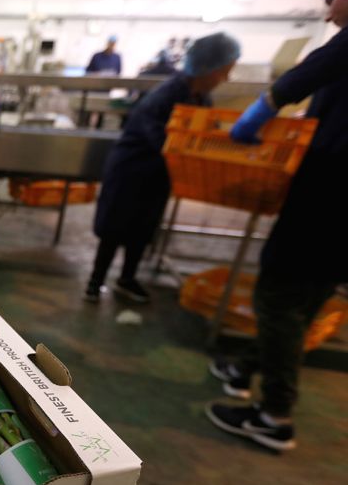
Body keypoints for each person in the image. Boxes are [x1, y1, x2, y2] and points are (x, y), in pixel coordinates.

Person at [205, 0, 348, 452]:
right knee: (305, 299)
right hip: (332, 202)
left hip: (329, 200)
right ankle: (246, 365)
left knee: (279, 296)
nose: (328, 11)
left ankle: (274, 415)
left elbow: (306, 75)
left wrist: (263, 106)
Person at [84, 32, 241, 303]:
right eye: (223, 72)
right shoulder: (167, 94)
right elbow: (158, 135)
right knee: (115, 228)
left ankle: (127, 278)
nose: (224, 79)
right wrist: (188, 149)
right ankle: (95, 282)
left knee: (142, 229)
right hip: (131, 171)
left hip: (159, 175)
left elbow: (203, 131)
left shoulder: (201, 99)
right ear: (207, 68)